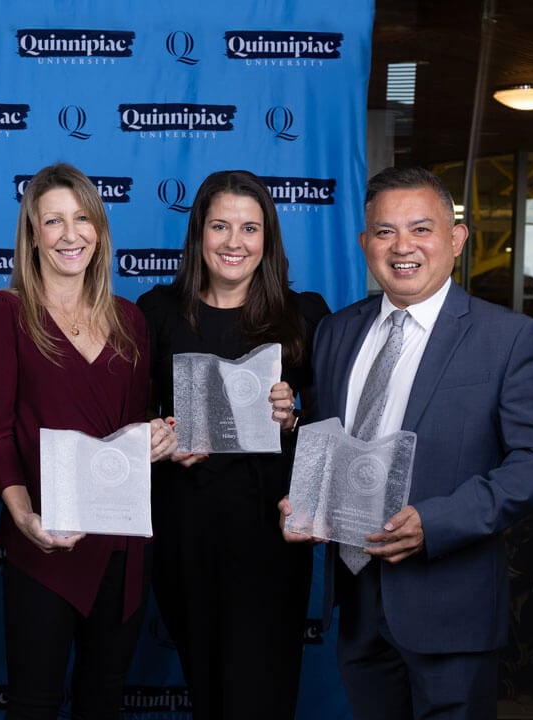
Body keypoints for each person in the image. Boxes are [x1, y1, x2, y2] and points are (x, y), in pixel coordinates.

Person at [279, 166, 533, 719]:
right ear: (365, 243)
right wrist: (307, 497)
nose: (402, 247)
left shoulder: (506, 337)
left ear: (456, 239)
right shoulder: (337, 331)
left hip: (450, 601)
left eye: (421, 229)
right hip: (358, 598)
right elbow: (329, 438)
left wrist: (437, 523)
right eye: (385, 232)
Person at [0, 162, 177, 719]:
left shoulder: (132, 321)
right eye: (53, 220)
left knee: (103, 700)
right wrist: (22, 517)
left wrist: (156, 437)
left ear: (100, 231)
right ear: (32, 234)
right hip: (45, 541)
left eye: (83, 218)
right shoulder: (4, 312)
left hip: (122, 542)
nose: (69, 234)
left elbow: (133, 426)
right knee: (34, 703)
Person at [137, 170, 329, 720]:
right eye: (220, 226)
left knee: (263, 690)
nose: (233, 242)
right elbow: (129, 411)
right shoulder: (158, 312)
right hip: (185, 531)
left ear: (267, 238)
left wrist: (295, 413)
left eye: (249, 228)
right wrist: (159, 433)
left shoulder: (304, 314)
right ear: (199, 233)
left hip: (270, 533)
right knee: (207, 688)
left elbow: (334, 419)